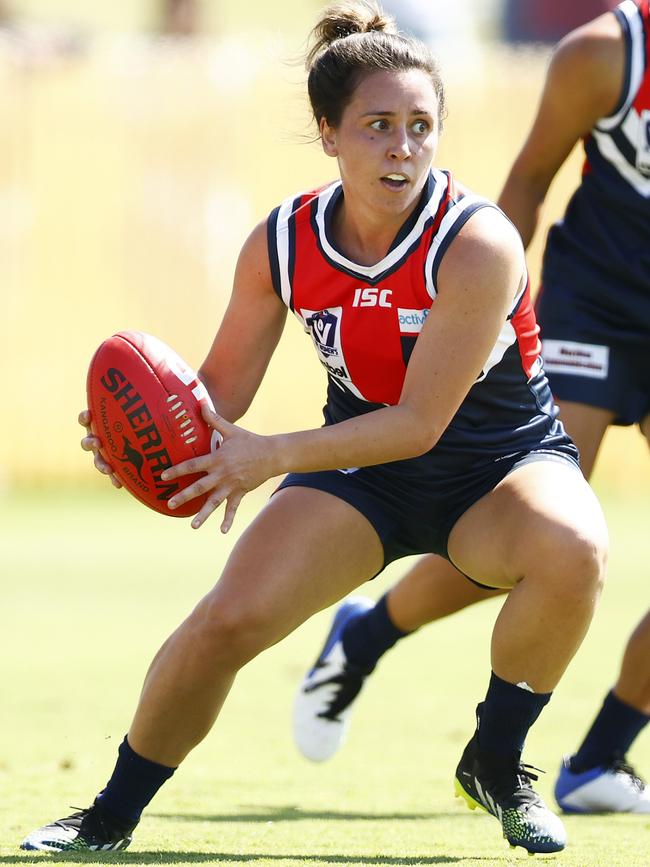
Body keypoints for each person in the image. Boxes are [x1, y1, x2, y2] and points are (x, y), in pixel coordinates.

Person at [21, 0, 607, 856]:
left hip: (498, 464)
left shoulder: (478, 243)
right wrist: (141, 437)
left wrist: (271, 458)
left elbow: (418, 422)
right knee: (223, 623)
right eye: (377, 125)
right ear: (328, 133)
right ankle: (105, 816)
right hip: (361, 476)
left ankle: (499, 759)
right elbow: (220, 391)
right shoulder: (283, 242)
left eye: (420, 125)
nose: (402, 146)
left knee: (575, 547)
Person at [293, 0, 650, 816]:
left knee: (552, 558)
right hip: (591, 309)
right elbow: (526, 179)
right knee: (543, 535)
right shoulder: (605, 53)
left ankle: (597, 757)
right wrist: (487, 323)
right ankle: (371, 631)